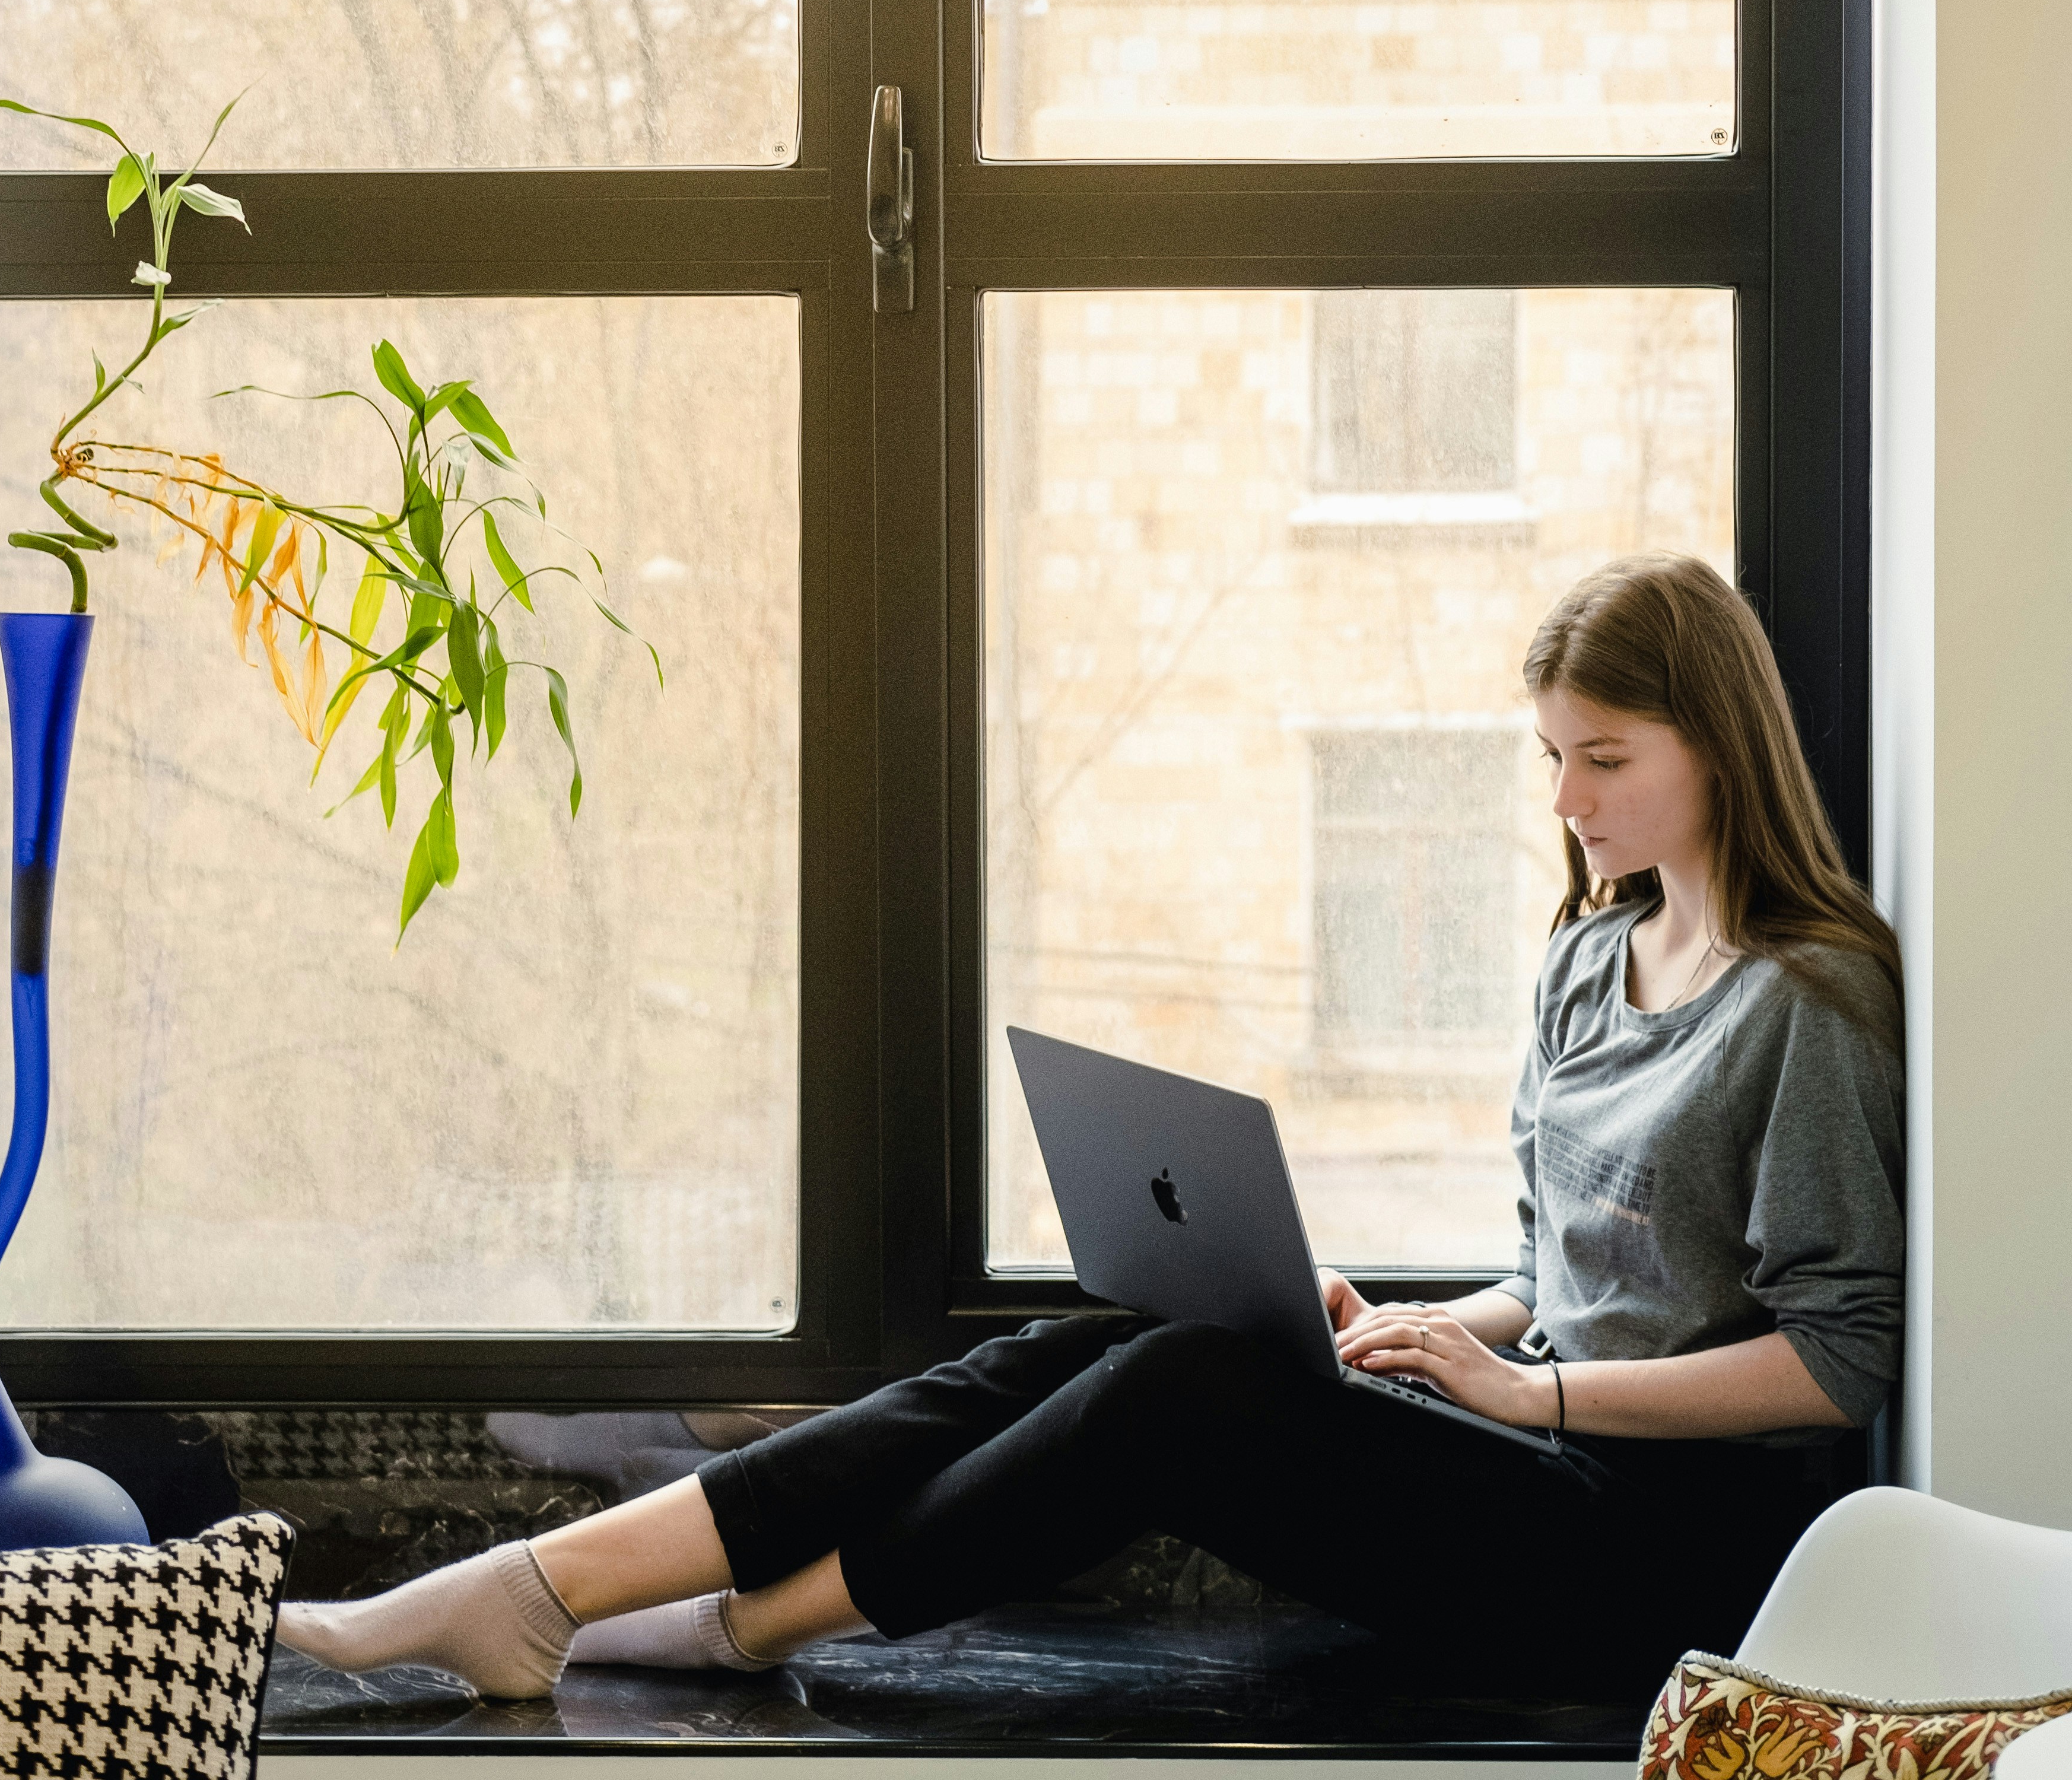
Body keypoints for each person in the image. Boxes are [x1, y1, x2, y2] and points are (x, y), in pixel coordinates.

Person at [279, 554, 1905, 1706]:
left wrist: (1527, 1385)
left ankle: (738, 1626)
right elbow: (1564, 1272)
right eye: (1553, 757)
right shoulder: (1585, 960)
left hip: (1665, 1565)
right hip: (1532, 1461)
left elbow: (1839, 1365)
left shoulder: (1807, 1005)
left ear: (1719, 743)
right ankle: (555, 1587)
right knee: (1131, 1342)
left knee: (1190, 1389)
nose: (1567, 802)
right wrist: (1419, 1338)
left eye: (1605, 760)